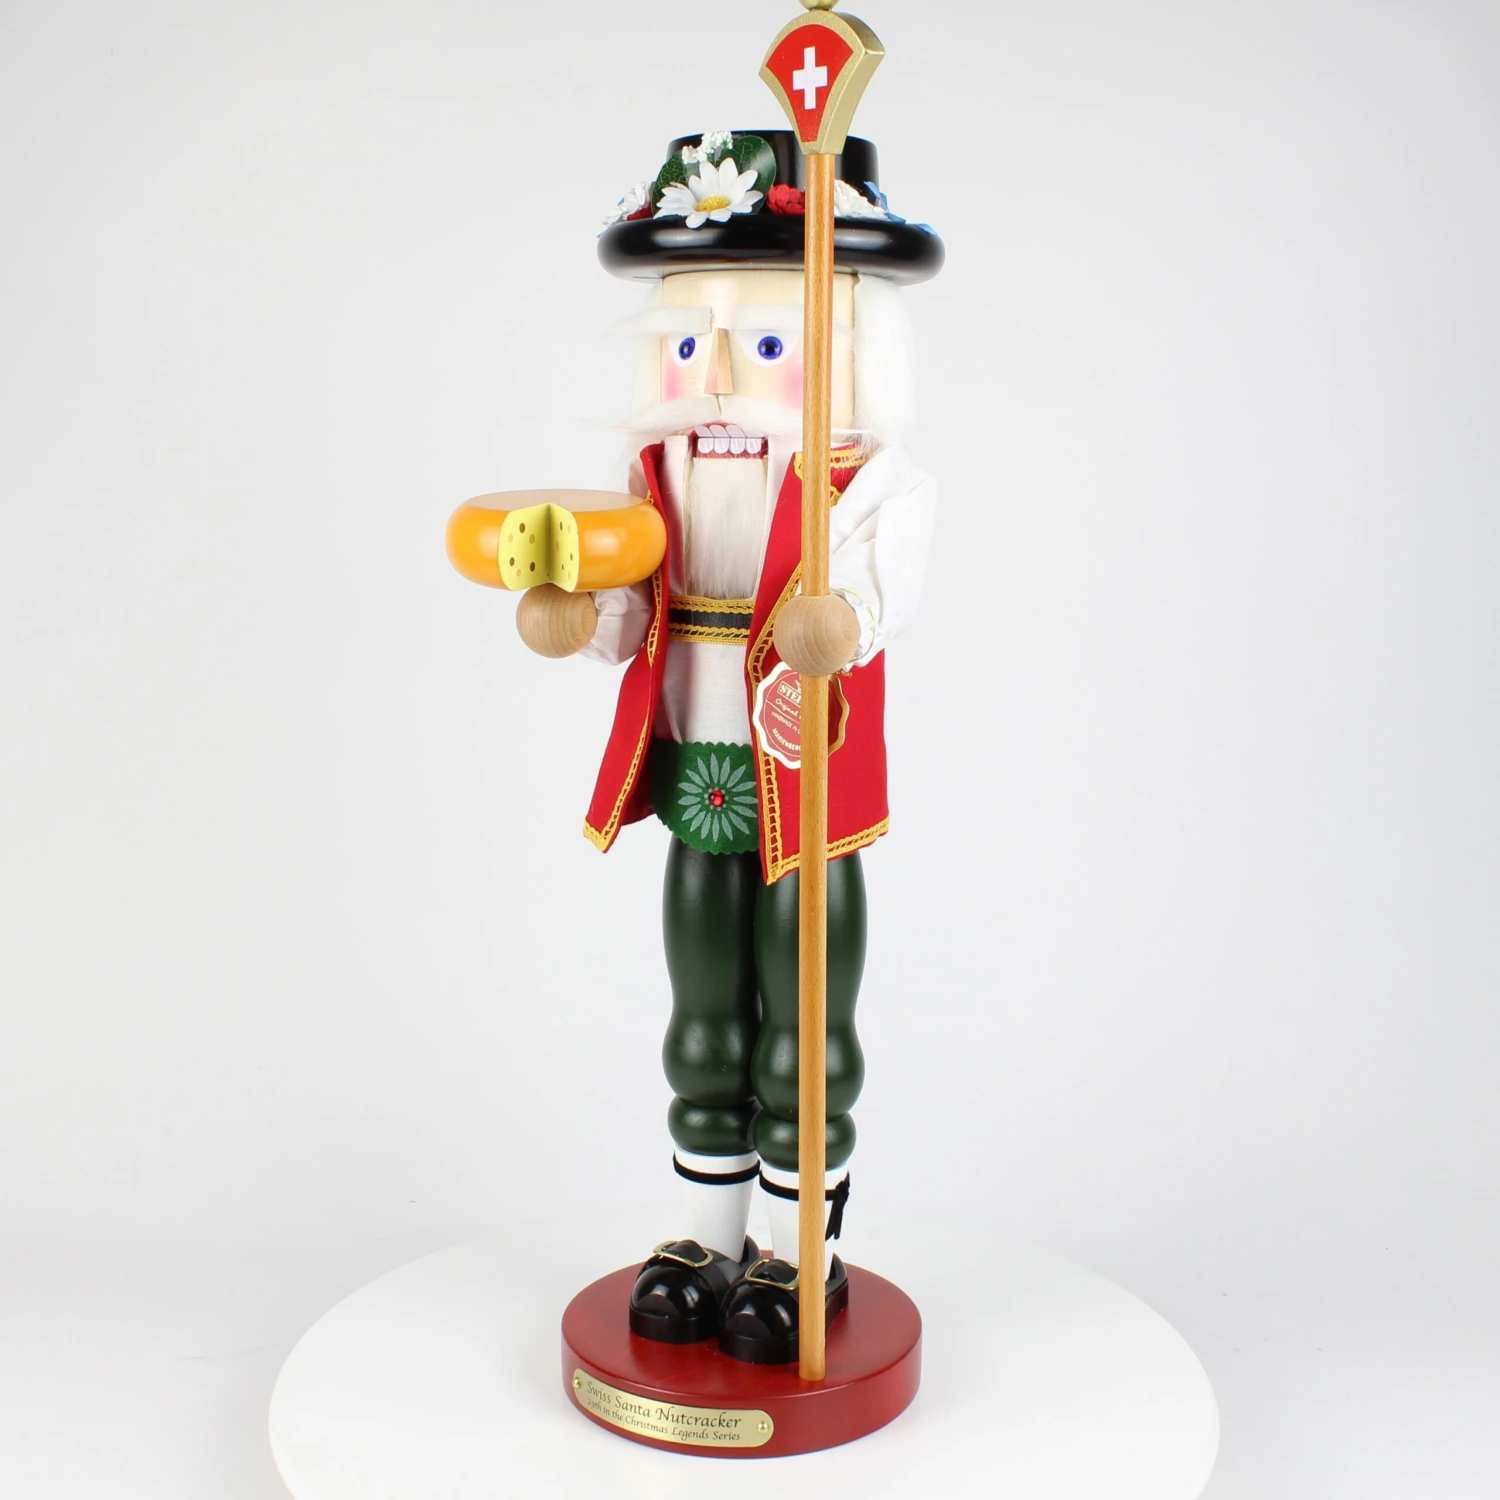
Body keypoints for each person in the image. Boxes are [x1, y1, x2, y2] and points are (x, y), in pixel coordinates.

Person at [518, 130, 943, 1363]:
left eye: (763, 346)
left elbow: (872, 601)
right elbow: (629, 608)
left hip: (806, 798)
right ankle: (707, 1236)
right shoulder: (650, 471)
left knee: (804, 1033)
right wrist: (575, 613)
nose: (713, 379)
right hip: (699, 785)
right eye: (686, 344)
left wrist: (837, 621)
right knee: (703, 1017)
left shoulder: (868, 483)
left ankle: (798, 1249)